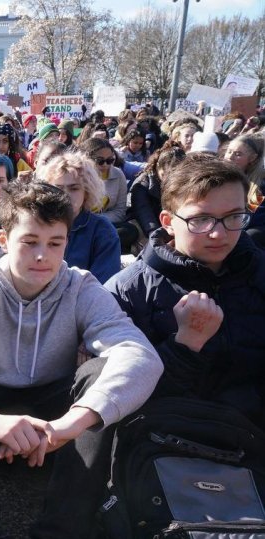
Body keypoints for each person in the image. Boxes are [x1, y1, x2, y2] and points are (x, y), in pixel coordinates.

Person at [0, 181, 162, 539]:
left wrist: (73, 422)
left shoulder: (81, 287)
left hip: (58, 424)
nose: (42, 256)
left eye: (55, 243)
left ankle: (61, 533)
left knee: (101, 372)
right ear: (4, 240)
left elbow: (140, 355)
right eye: (30, 242)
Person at [105, 155, 265, 429]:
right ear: (168, 221)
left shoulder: (259, 270)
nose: (219, 234)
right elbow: (121, 397)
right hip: (170, 438)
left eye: (234, 217)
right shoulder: (127, 291)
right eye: (201, 219)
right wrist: (186, 345)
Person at [36, 152, 121, 284]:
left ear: (86, 192)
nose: (65, 195)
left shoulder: (103, 230)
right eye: (58, 188)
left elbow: (103, 285)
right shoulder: (36, 224)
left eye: (74, 188)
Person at [79, 137, 138, 253]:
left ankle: (95, 245)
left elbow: (120, 211)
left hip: (104, 223)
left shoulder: (118, 174)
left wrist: (98, 220)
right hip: (81, 225)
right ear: (86, 159)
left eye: (110, 160)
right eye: (100, 161)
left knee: (129, 231)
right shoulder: (78, 176)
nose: (106, 165)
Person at [129, 143, 186, 237]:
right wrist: (157, 236)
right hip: (147, 226)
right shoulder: (141, 185)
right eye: (165, 174)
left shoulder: (186, 182)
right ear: (157, 167)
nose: (169, 179)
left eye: (174, 175)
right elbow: (145, 215)